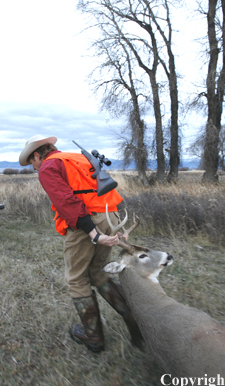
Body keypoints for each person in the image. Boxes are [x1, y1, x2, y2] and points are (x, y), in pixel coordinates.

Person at [19, 135, 143, 353]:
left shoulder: (48, 167)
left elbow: (67, 202)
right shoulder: (76, 158)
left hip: (87, 222)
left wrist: (93, 235)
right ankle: (137, 322)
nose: (33, 167)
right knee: (98, 273)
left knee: (76, 279)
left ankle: (93, 337)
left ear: (37, 154)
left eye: (32, 162)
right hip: (110, 215)